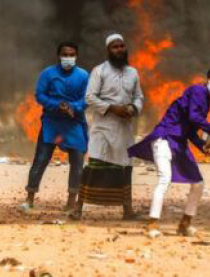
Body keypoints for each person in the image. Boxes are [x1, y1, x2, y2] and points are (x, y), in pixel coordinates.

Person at [128, 68, 210, 237]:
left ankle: (185, 223)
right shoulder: (198, 91)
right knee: (164, 178)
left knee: (198, 184)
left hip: (179, 142)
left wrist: (202, 146)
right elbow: (194, 118)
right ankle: (152, 225)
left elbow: (191, 130)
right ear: (207, 80)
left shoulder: (206, 101)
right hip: (165, 137)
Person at [70, 33, 144, 220]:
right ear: (108, 50)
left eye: (121, 46)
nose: (119, 49)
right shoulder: (99, 71)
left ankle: (128, 210)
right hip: (103, 128)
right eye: (115, 47)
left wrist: (133, 108)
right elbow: (90, 97)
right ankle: (78, 208)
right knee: (94, 166)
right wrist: (112, 108)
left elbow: (139, 96)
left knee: (125, 167)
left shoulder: (133, 72)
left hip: (125, 129)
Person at [22, 41, 89, 212]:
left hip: (74, 123)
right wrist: (57, 105)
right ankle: (29, 198)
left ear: (76, 56)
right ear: (59, 56)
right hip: (51, 123)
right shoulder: (48, 74)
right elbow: (40, 95)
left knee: (77, 162)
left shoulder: (83, 75)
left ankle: (71, 202)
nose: (68, 58)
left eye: (71, 55)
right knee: (41, 159)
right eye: (65, 54)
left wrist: (73, 107)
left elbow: (87, 98)